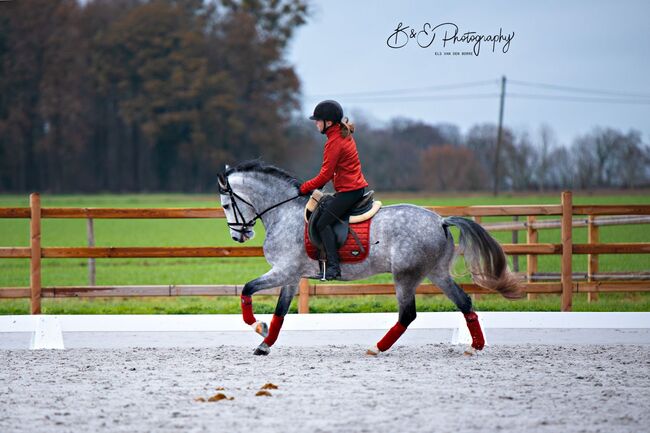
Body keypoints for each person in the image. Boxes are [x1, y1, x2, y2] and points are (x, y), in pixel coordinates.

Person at [299, 100, 369, 280]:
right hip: (353, 188)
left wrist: (304, 187)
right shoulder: (340, 134)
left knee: (322, 222)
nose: (316, 123)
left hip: (350, 191)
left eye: (318, 120)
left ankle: (333, 268)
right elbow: (330, 174)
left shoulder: (334, 142)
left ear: (328, 122)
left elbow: (325, 175)